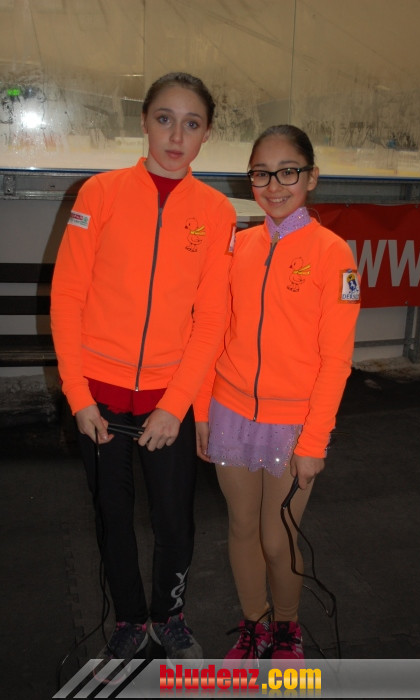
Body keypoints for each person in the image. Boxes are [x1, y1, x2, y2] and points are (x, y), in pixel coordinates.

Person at [50, 72, 236, 667]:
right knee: (112, 517)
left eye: (191, 123)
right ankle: (130, 618)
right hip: (98, 400)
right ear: (144, 122)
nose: (176, 136)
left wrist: (176, 405)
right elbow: (67, 298)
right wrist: (78, 396)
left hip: (167, 401)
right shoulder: (100, 194)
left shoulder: (216, 212)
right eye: (164, 119)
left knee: (175, 520)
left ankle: (169, 615)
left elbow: (211, 321)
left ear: (206, 133)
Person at [195, 124, 360, 661]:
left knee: (277, 537)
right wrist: (201, 409)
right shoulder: (237, 246)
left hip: (294, 424)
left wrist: (314, 441)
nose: (274, 185)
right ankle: (255, 627)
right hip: (229, 410)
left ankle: (287, 629)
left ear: (312, 177)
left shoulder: (334, 254)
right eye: (261, 174)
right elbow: (211, 333)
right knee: (241, 528)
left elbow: (337, 362)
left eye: (288, 172)